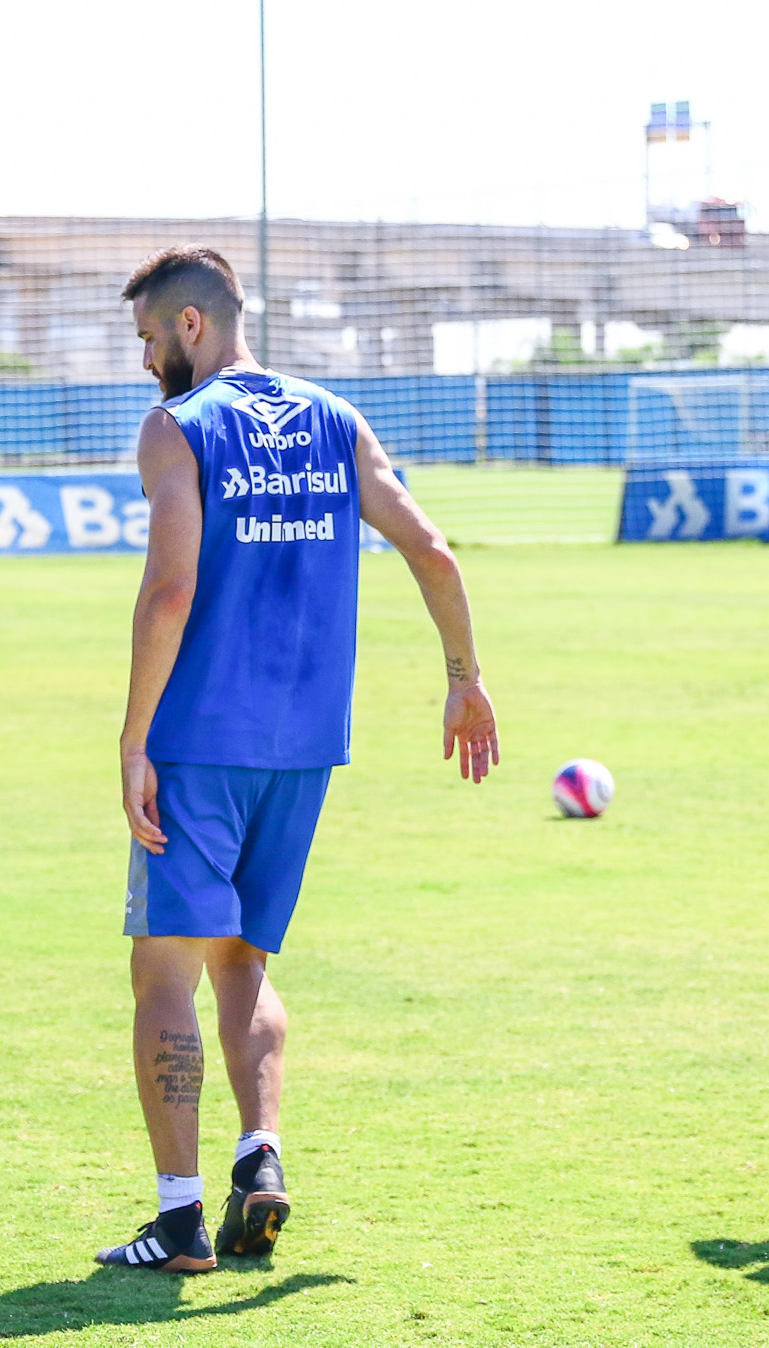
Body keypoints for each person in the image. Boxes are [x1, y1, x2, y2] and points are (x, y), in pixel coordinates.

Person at [99, 245, 499, 1271]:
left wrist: (135, 736)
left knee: (163, 974)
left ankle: (180, 1220)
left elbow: (169, 593)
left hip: (197, 739)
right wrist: (461, 676)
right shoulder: (336, 419)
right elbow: (433, 549)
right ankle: (259, 1158)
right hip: (306, 743)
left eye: (149, 338)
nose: (147, 360)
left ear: (190, 326)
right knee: (245, 961)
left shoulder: (177, 428)